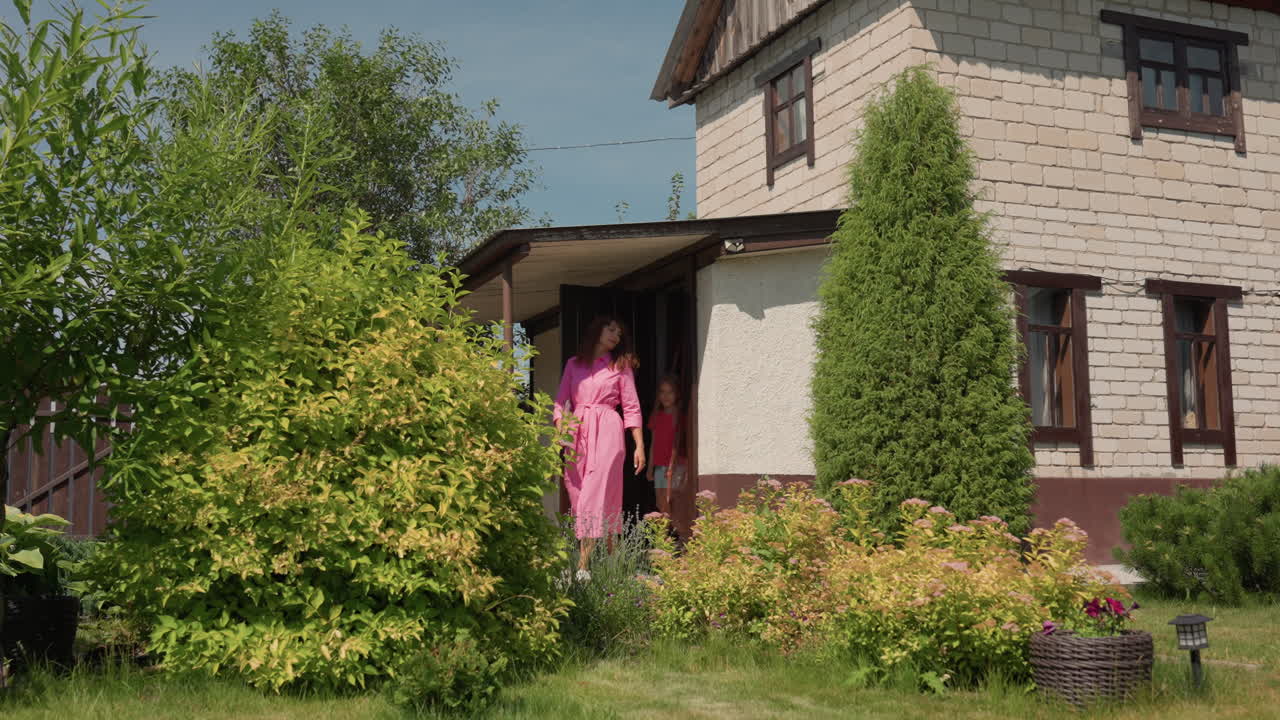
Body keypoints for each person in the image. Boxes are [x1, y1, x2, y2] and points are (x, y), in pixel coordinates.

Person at [553, 316, 645, 582]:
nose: (616, 335)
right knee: (579, 496)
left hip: (607, 430)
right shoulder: (573, 364)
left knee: (596, 494)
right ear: (597, 330)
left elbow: (631, 406)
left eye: (620, 332)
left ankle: (582, 567)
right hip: (576, 433)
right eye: (611, 329)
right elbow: (560, 402)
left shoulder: (620, 366)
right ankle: (614, 563)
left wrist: (639, 445)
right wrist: (561, 428)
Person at [646, 376, 687, 526]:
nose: (666, 396)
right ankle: (664, 537)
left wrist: (675, 466)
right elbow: (653, 443)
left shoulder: (679, 416)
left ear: (677, 394)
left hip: (675, 466)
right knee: (661, 503)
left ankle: (676, 535)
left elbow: (679, 443)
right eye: (662, 392)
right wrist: (650, 467)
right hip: (659, 465)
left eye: (670, 392)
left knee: (673, 501)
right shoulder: (656, 416)